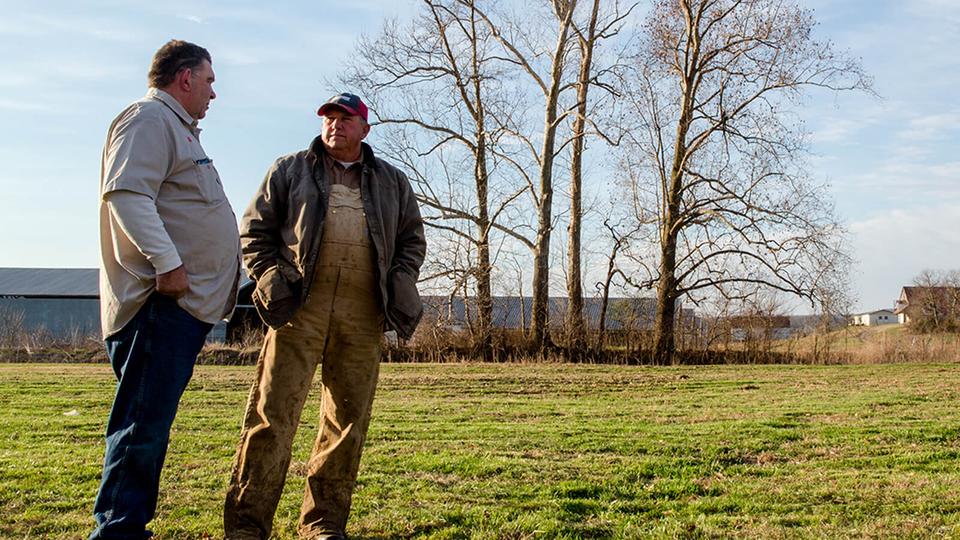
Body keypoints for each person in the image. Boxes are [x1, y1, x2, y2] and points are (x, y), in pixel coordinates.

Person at [223, 93, 426, 540]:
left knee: (346, 422)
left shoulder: (392, 182)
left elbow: (412, 239)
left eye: (345, 119)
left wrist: (401, 279)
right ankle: (246, 527)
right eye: (329, 118)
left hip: (362, 314)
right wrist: (271, 277)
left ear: (365, 129)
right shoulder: (290, 169)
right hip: (299, 311)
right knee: (271, 418)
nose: (335, 125)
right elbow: (253, 232)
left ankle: (322, 524)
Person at [91, 39, 240, 540]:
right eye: (210, 80)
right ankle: (117, 532)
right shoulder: (149, 120)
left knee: (149, 427)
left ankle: (129, 527)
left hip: (179, 309)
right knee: (141, 428)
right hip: (159, 305)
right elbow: (128, 195)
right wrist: (169, 263)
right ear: (185, 78)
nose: (213, 93)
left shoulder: (180, 131)